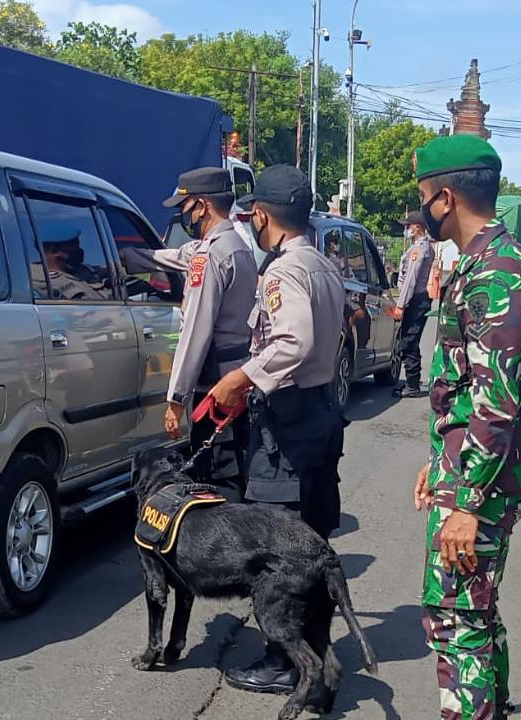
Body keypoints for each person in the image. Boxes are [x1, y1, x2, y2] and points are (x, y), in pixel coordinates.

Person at [409, 134, 521, 720]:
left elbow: (497, 402)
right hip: (476, 462)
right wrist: (440, 459)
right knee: (476, 606)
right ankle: (496, 706)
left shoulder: (496, 274)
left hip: (486, 475)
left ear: (444, 197)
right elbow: (469, 390)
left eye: (422, 197)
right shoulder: (485, 263)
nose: (421, 209)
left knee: (456, 615)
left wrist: (466, 497)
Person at [204, 164, 348, 695]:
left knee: (279, 549)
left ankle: (283, 661)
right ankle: (314, 651)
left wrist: (239, 378)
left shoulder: (284, 270)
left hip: (286, 423)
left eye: (252, 218)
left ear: (261, 216)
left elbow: (293, 342)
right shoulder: (323, 263)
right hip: (319, 413)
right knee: (312, 538)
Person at [120, 167, 259, 490]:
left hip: (213, 387)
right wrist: (127, 258)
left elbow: (196, 330)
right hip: (235, 375)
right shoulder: (234, 245)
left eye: (185, 208)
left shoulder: (211, 255)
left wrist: (176, 398)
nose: (185, 217)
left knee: (217, 476)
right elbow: (177, 256)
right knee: (233, 465)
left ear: (202, 206)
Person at [389, 209, 437, 398]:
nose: (406, 230)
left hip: (415, 301)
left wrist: (401, 305)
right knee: (410, 341)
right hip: (418, 300)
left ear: (416, 227)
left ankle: (412, 386)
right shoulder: (421, 247)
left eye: (408, 226)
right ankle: (412, 383)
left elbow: (411, 279)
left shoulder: (420, 248)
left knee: (409, 341)